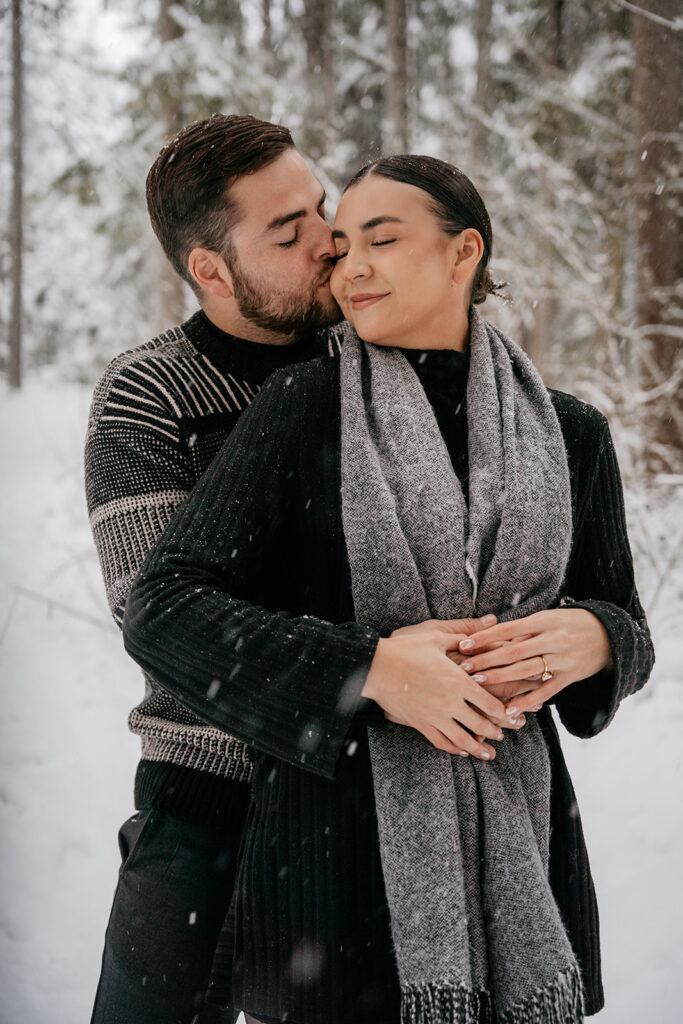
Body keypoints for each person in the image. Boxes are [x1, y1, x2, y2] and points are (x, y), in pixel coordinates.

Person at [122, 155, 653, 1023]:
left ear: (462, 254)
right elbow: (166, 606)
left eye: (382, 239)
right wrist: (368, 670)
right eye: (341, 245)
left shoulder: (571, 431)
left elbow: (623, 623)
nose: (350, 265)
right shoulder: (301, 407)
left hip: (525, 849)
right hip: (329, 877)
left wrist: (596, 640)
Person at [86, 114, 504, 1024]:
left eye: (318, 207)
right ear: (210, 269)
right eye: (288, 231)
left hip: (363, 794)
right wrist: (370, 666)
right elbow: (164, 624)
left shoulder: (374, 360)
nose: (328, 242)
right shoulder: (150, 394)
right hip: (209, 797)